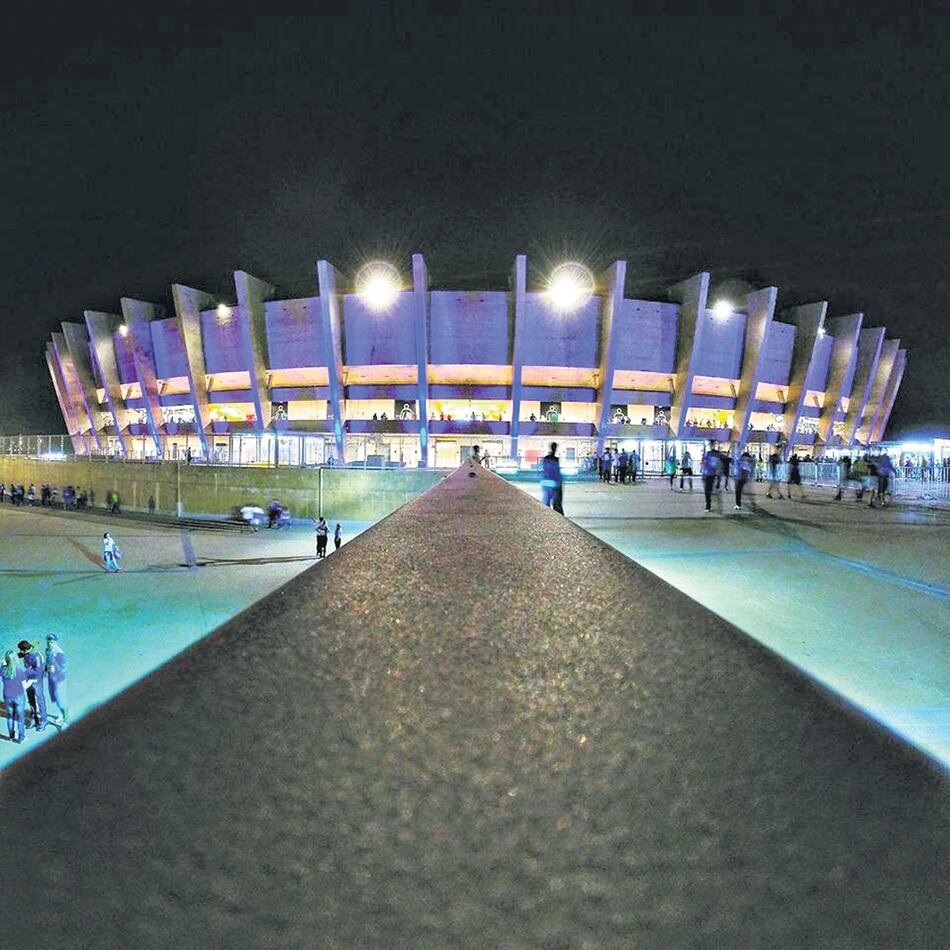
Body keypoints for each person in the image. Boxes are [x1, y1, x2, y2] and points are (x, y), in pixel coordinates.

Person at [18, 640, 46, 731]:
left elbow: (39, 671)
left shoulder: (37, 656)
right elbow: (18, 656)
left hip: (37, 682)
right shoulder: (26, 653)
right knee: (31, 700)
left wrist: (25, 671)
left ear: (26, 649)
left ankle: (44, 720)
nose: (21, 652)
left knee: (40, 700)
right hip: (28, 681)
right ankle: (35, 718)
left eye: (22, 650)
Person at [1, 650, 27, 743]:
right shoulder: (19, 670)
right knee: (20, 717)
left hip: (8, 696)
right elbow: (24, 685)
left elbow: (3, 665)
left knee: (10, 716)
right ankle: (21, 737)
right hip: (19, 696)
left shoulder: (3, 670)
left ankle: (11, 735)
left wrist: (3, 663)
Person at [45, 635, 68, 725]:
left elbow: (62, 670)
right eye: (48, 641)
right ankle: (61, 714)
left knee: (61, 701)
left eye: (51, 642)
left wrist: (53, 661)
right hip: (51, 679)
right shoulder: (48, 651)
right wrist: (45, 671)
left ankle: (66, 721)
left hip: (59, 681)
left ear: (56, 642)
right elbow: (48, 664)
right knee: (55, 698)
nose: (49, 644)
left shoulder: (61, 654)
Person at [540, 442, 564, 514]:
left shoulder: (546, 459)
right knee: (556, 502)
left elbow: (544, 470)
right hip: (554, 483)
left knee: (546, 500)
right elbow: (556, 472)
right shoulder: (555, 459)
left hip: (546, 482)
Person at [701, 440, 722, 513]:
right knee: (708, 490)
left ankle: (708, 505)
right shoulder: (713, 455)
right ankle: (708, 504)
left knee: (707, 490)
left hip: (709, 474)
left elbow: (705, 463)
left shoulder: (710, 454)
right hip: (710, 474)